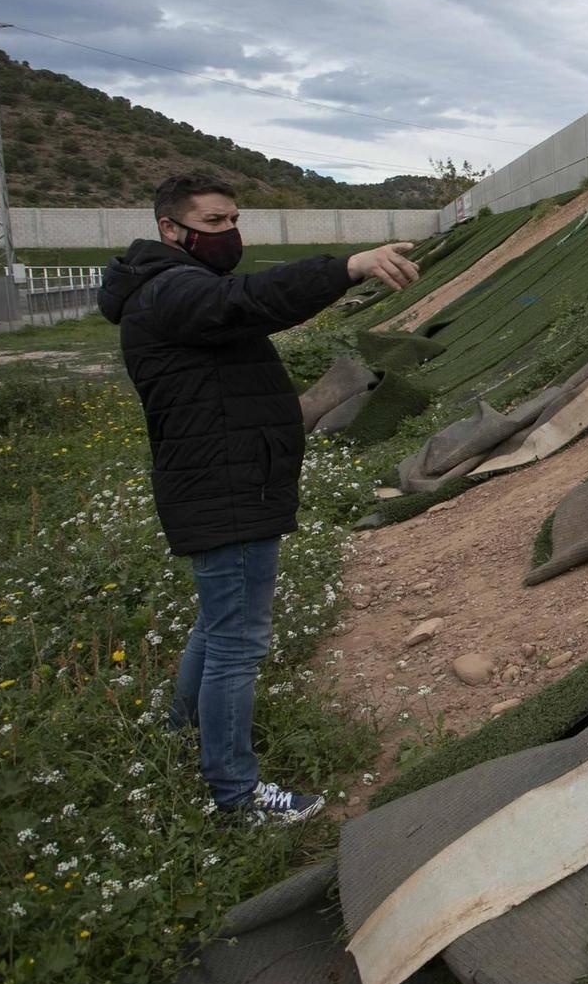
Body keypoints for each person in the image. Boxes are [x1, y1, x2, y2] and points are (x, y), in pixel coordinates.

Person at [99, 175, 419, 823]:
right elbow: (250, 299)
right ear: (170, 228)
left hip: (225, 481)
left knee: (216, 629)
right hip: (227, 486)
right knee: (238, 641)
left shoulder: (168, 287)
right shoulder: (172, 290)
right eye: (214, 221)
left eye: (234, 218)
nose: (229, 232)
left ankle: (180, 735)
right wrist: (347, 267)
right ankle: (236, 794)